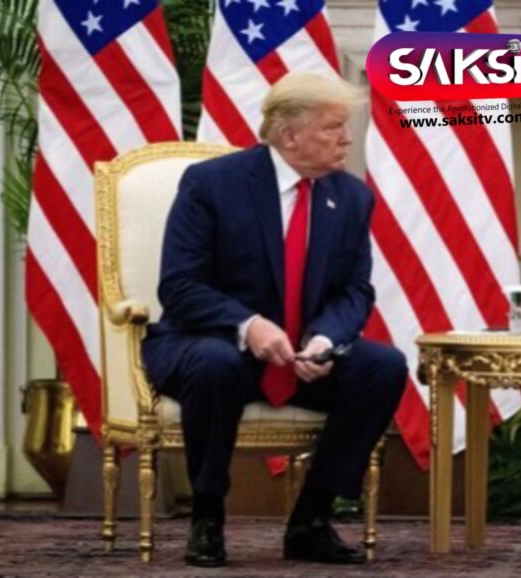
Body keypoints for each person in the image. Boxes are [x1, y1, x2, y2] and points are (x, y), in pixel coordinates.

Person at [142, 73, 407, 568]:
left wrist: (324, 339)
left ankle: (312, 518)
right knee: (217, 363)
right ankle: (207, 515)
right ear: (289, 136)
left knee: (383, 367)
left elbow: (354, 291)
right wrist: (249, 325)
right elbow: (179, 286)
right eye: (332, 127)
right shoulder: (212, 184)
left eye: (345, 127)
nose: (347, 138)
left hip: (300, 357)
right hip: (210, 345)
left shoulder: (351, 197)